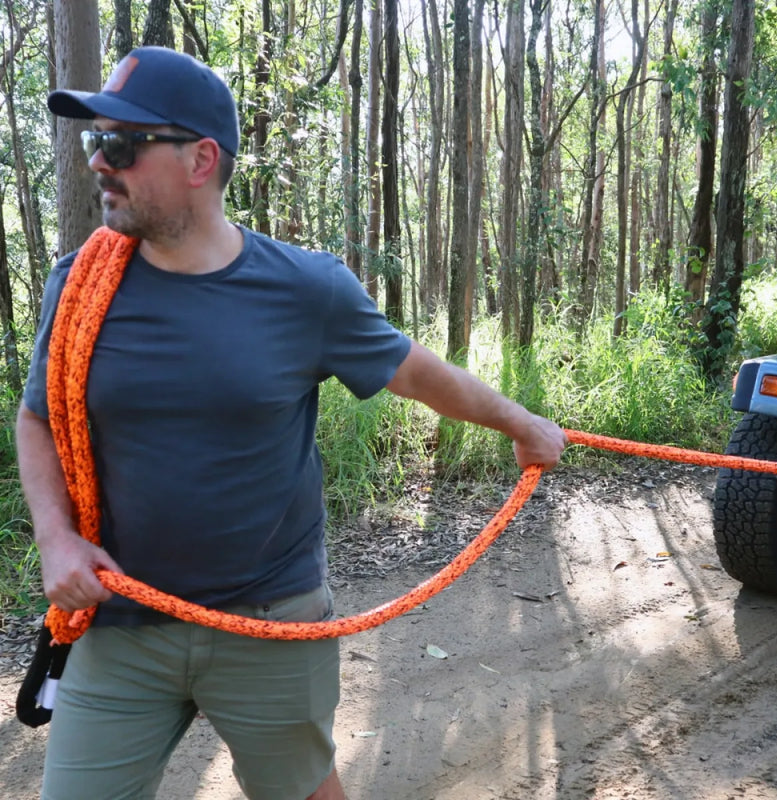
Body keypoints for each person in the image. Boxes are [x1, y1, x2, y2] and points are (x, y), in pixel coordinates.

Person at [16, 46, 567, 800]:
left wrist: (520, 422)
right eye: (93, 143)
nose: (98, 165)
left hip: (270, 625)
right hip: (118, 625)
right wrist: (55, 536)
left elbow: (417, 373)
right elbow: (37, 418)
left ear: (200, 159)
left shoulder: (307, 289)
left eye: (120, 145)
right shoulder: (76, 284)